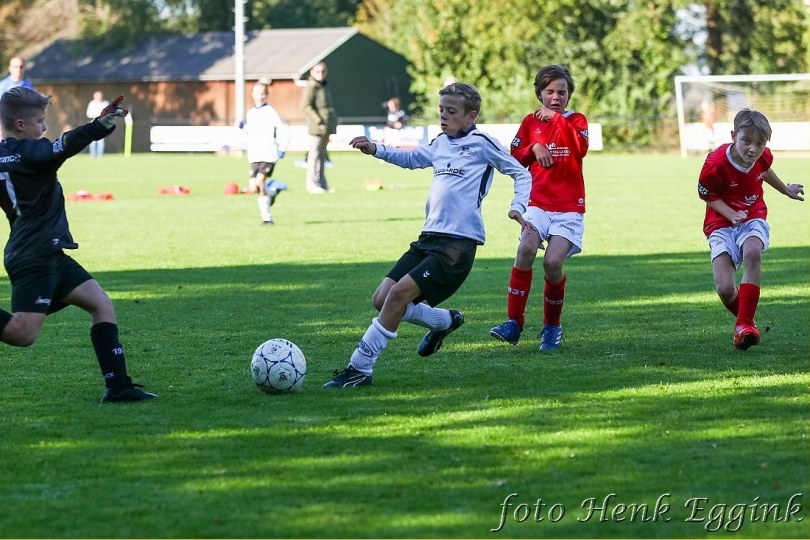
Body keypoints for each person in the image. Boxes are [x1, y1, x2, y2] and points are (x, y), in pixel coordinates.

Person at [324, 82, 532, 388]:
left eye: (452, 111)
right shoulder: (439, 143)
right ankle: (445, 321)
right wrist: (376, 150)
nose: (444, 116)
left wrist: (517, 207)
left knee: (397, 296)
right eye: (441, 110)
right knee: (381, 299)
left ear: (471, 115)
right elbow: (412, 159)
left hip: (457, 246)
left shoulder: (483, 143)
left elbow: (521, 173)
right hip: (428, 238)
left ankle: (359, 368)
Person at [0, 86, 157, 403]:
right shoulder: (32, 154)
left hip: (45, 250)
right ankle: (118, 387)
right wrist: (99, 126)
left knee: (100, 303)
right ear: (20, 125)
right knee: (23, 333)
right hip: (35, 255)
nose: (44, 129)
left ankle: (118, 388)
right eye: (40, 122)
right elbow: (66, 144)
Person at [489, 65, 589, 352]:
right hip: (538, 204)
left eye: (562, 92)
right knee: (525, 249)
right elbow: (514, 158)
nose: (556, 96)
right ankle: (513, 323)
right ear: (539, 93)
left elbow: (578, 148)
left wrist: (557, 120)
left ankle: (552, 327)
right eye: (550, 92)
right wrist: (533, 148)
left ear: (569, 95)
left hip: (569, 207)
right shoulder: (529, 122)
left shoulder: (577, 121)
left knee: (552, 263)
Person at [697, 108, 804, 350]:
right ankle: (745, 324)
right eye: (746, 141)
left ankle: (744, 325)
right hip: (720, 224)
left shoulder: (762, 156)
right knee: (725, 288)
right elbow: (706, 194)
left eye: (760, 143)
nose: (753, 149)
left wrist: (785, 189)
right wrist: (731, 214)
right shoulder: (716, 163)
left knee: (753, 251)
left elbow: (763, 170)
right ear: (734, 135)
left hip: (752, 215)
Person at [243, 80, 290, 225]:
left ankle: (267, 219)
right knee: (254, 187)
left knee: (259, 181)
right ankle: (273, 193)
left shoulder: (270, 112)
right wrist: (242, 128)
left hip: (268, 154)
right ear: (252, 95)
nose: (260, 96)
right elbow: (251, 132)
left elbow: (284, 130)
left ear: (266, 95)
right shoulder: (250, 113)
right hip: (254, 155)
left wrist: (282, 148)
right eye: (257, 93)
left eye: (263, 94)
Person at [300, 62, 337, 194]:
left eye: (322, 71)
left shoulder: (324, 86)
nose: (320, 74)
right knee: (314, 155)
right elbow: (306, 106)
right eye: (317, 71)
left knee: (322, 156)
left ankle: (322, 183)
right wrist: (318, 120)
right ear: (311, 72)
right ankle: (312, 184)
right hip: (317, 127)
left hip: (327, 126)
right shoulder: (311, 87)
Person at [85, 91, 109, 157]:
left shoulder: (105, 103)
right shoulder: (92, 103)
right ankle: (93, 155)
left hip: (102, 124)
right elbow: (88, 114)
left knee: (101, 140)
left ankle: (100, 155)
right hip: (93, 124)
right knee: (92, 140)